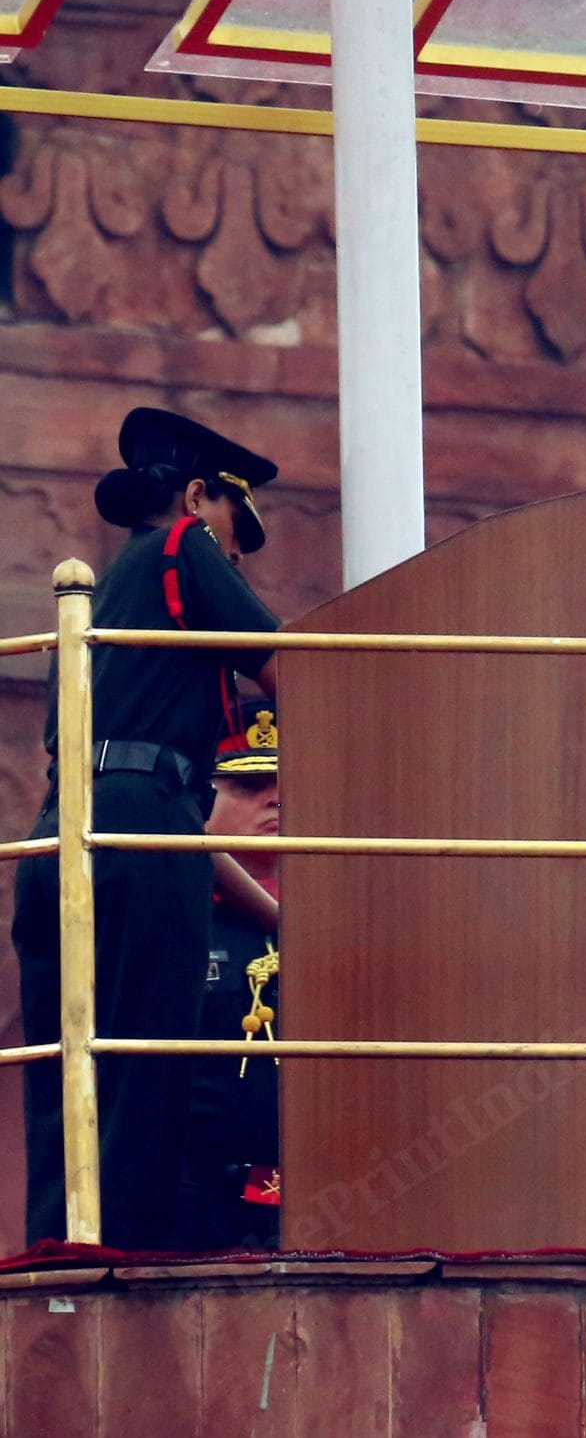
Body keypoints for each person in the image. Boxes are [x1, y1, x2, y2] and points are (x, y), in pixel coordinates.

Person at [14, 407, 281, 1249]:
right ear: (200, 497)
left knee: (67, 1055)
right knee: (147, 1050)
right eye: (235, 534)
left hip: (62, 827)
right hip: (145, 810)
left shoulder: (90, 599)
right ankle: (129, 1255)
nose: (234, 558)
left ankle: (63, 1247)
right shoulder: (184, 547)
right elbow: (282, 666)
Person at [174, 711, 284, 1251]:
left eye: (289, 787)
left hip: (343, 1193)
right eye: (249, 785)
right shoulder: (174, 919)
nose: (276, 800)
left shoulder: (350, 916)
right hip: (196, 1200)